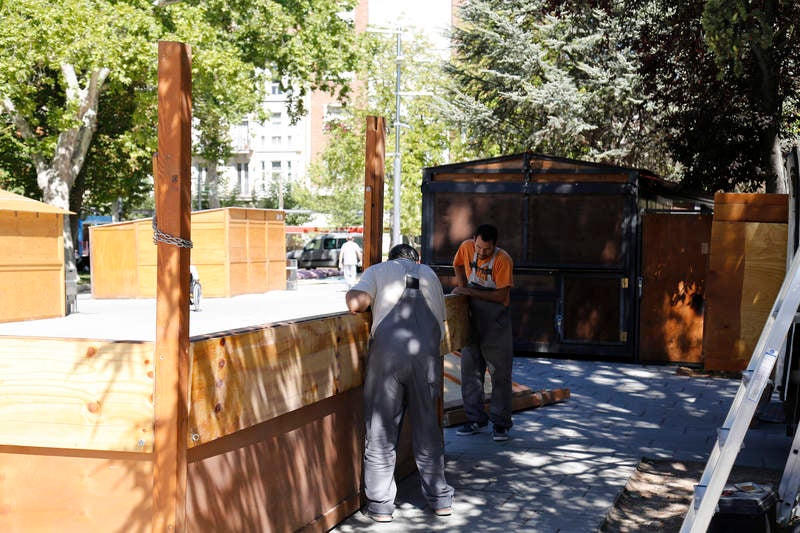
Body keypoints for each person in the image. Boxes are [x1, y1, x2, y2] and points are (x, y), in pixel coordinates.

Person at [346, 244, 454, 522]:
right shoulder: (430, 274)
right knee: (428, 431)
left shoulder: (378, 270)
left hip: (388, 362)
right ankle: (440, 500)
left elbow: (355, 304)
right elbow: (442, 323)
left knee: (381, 433)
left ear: (391, 259)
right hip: (426, 362)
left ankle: (381, 506)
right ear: (417, 259)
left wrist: (352, 292)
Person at [452, 224, 515, 442]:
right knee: (470, 371)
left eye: (486, 249)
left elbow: (501, 296)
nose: (481, 252)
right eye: (478, 247)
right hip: (472, 317)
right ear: (474, 240)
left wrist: (468, 291)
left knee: (500, 373)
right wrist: (463, 290)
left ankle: (501, 423)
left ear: (495, 245)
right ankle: (475, 419)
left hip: (495, 320)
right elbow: (458, 264)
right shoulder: (466, 247)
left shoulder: (503, 260)